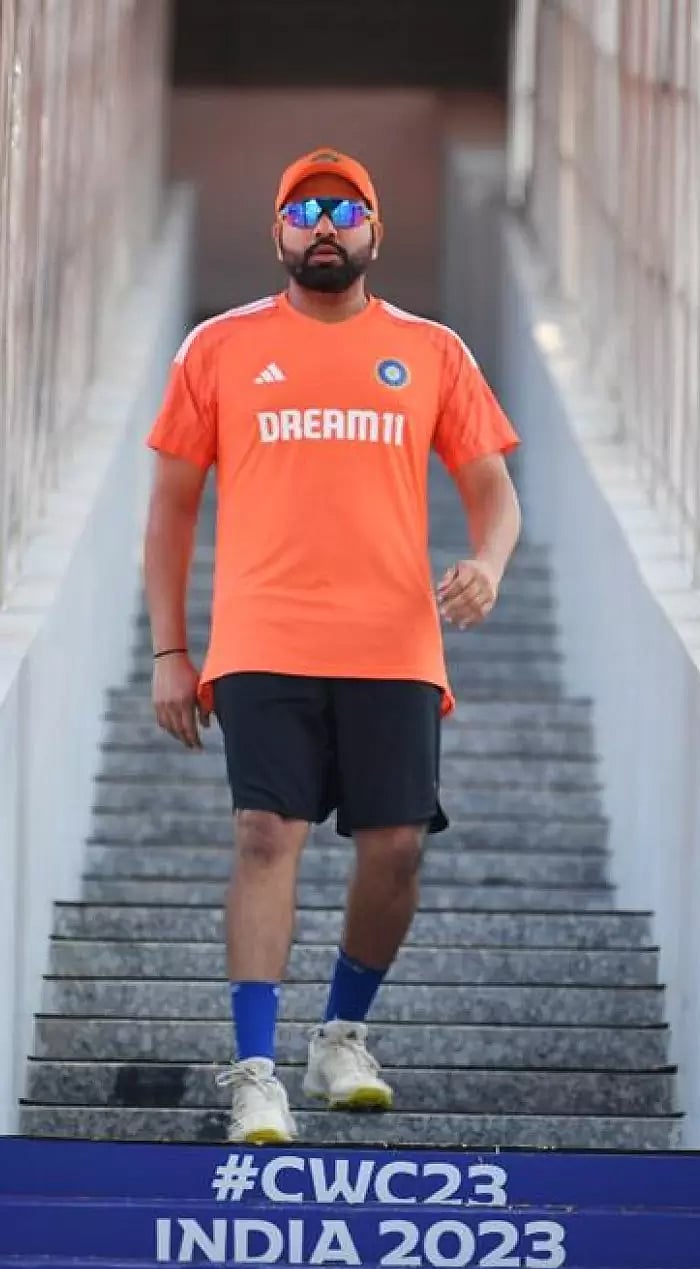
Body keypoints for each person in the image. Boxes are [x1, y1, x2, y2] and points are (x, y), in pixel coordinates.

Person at [143, 146, 521, 1144]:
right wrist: (170, 649)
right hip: (262, 635)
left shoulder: (431, 350)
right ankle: (256, 1072)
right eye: (305, 210)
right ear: (277, 230)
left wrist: (488, 562)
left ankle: (341, 1035)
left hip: (394, 643)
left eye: (345, 211)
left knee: (396, 851)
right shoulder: (218, 347)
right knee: (266, 832)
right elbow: (171, 507)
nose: (324, 225)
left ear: (375, 234)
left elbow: (493, 490)